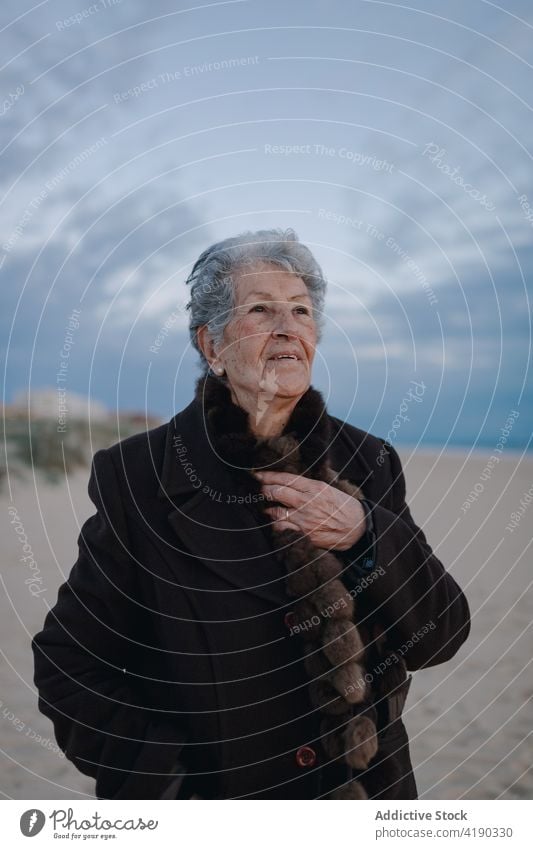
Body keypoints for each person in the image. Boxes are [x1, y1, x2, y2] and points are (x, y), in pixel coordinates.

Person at [32, 228, 470, 800]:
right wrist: (166, 785)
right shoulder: (139, 475)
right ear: (212, 345)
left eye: (302, 311)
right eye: (261, 310)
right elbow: (69, 662)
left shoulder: (370, 461)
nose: (288, 327)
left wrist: (366, 532)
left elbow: (440, 637)